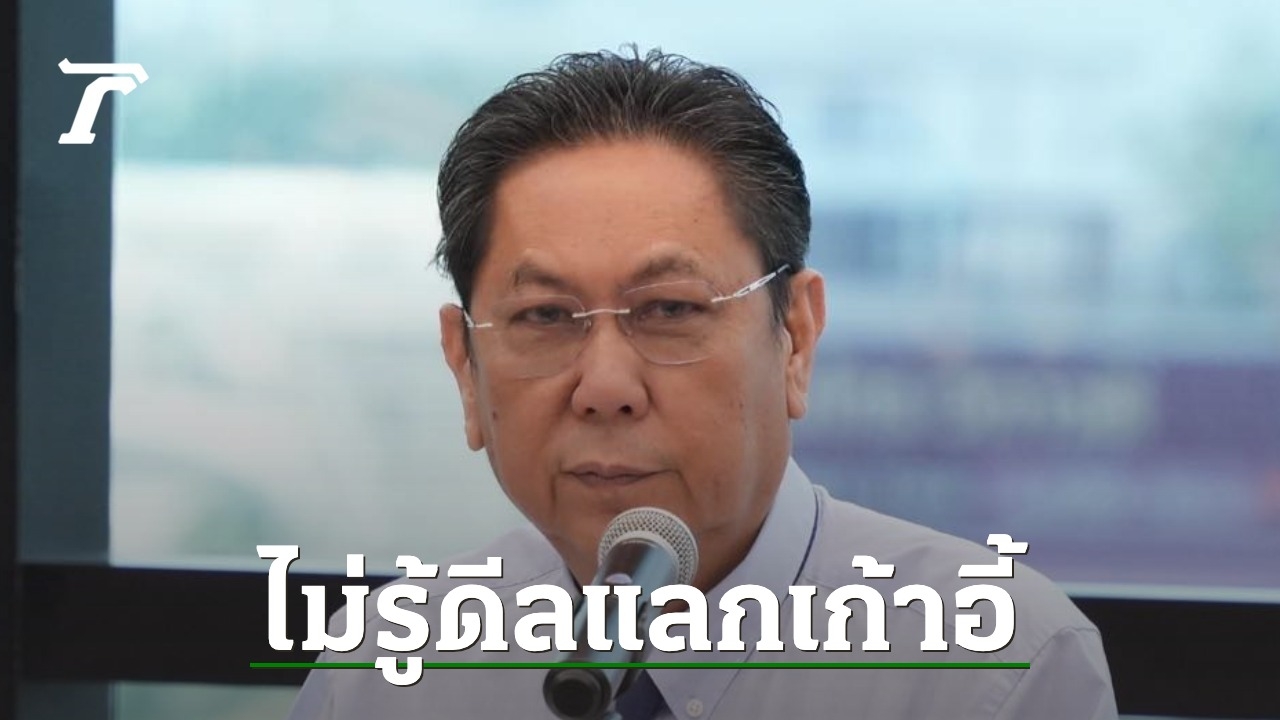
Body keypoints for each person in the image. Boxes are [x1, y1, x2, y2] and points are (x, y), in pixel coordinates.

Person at [286, 47, 1117, 719]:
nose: (604, 386)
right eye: (545, 316)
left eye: (670, 309)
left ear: (796, 338)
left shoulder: (991, 666)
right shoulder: (391, 666)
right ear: (465, 368)